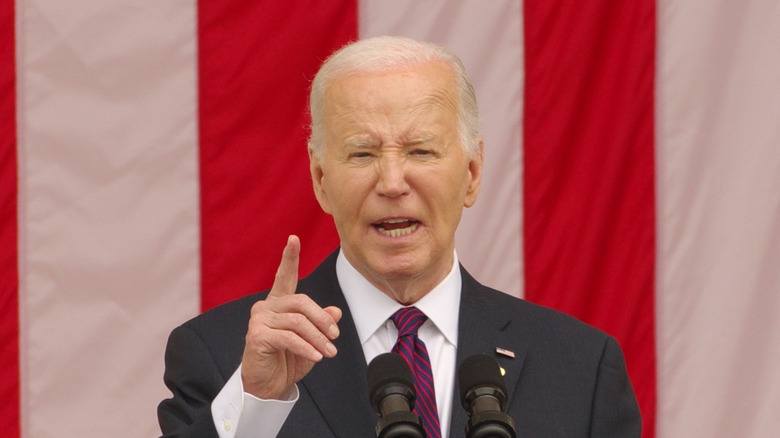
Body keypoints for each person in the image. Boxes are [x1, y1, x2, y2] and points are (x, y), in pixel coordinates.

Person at [158, 36, 641, 437]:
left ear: (472, 173)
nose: (392, 182)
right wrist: (257, 403)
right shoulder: (226, 358)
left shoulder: (582, 367)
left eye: (421, 151)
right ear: (321, 180)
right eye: (363, 154)